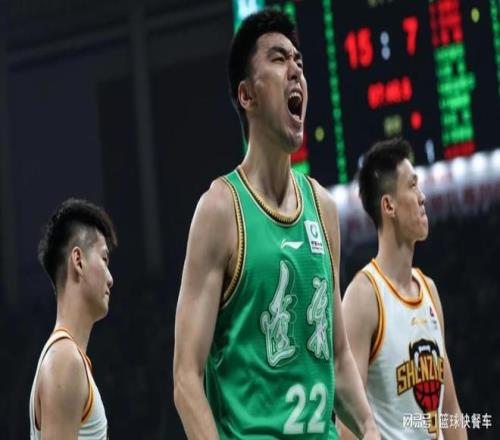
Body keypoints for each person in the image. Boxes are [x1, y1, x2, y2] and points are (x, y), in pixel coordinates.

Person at [173, 9, 379, 439]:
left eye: (299, 61)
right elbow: (186, 378)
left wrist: (368, 425)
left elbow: (338, 355)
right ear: (247, 95)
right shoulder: (220, 210)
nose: (296, 71)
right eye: (279, 59)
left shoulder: (323, 208)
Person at [338, 138, 467, 439]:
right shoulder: (363, 296)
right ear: (389, 206)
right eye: (412, 185)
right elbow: (347, 425)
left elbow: (450, 412)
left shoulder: (429, 290)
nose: (422, 197)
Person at [29, 198, 117, 439]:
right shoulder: (64, 360)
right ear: (78, 261)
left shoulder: (67, 357)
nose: (110, 279)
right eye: (104, 259)